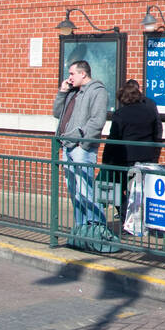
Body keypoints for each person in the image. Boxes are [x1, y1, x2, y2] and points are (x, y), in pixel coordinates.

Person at [52, 60, 108, 233]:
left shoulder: (97, 91)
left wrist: (82, 144)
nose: (69, 77)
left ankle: (96, 227)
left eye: (72, 74)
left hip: (81, 148)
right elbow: (57, 113)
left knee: (86, 189)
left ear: (83, 74)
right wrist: (62, 92)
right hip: (66, 146)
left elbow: (97, 121)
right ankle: (81, 226)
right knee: (74, 190)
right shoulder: (72, 92)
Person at [104, 79, 162, 216]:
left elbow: (114, 137)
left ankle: (127, 218)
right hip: (146, 156)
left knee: (118, 188)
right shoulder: (150, 111)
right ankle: (141, 219)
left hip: (126, 158)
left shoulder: (120, 114)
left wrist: (106, 158)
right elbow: (156, 132)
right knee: (141, 190)